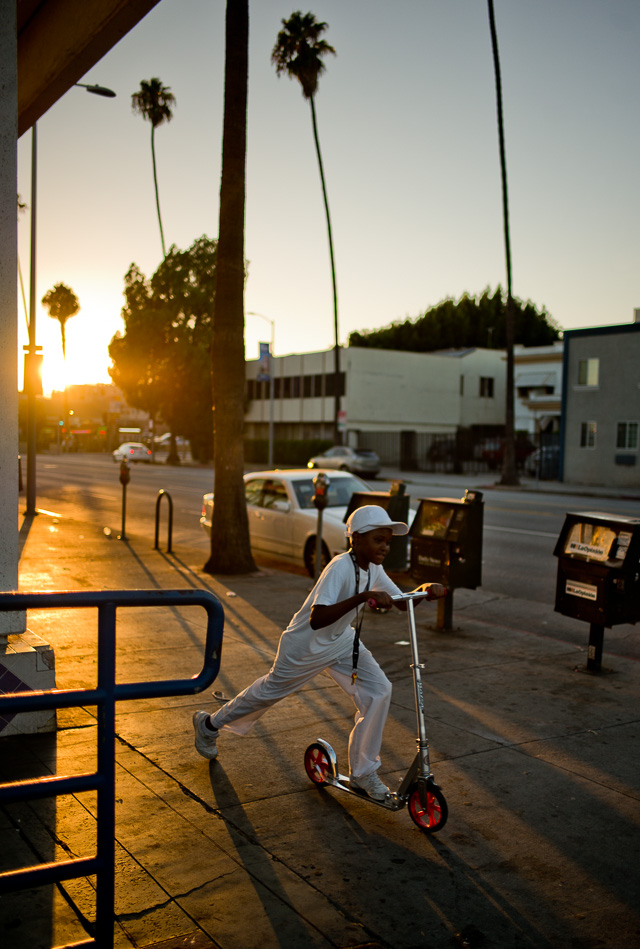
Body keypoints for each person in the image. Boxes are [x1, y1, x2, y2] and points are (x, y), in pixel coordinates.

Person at [192, 504, 445, 801]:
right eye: (379, 540)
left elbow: (400, 601)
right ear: (356, 540)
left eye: (388, 541)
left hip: (340, 642)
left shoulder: (373, 568)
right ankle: (209, 724)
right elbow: (317, 617)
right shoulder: (339, 566)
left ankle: (363, 772)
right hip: (305, 646)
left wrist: (424, 591)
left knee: (380, 691)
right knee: (268, 693)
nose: (385, 547)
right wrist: (363, 597)